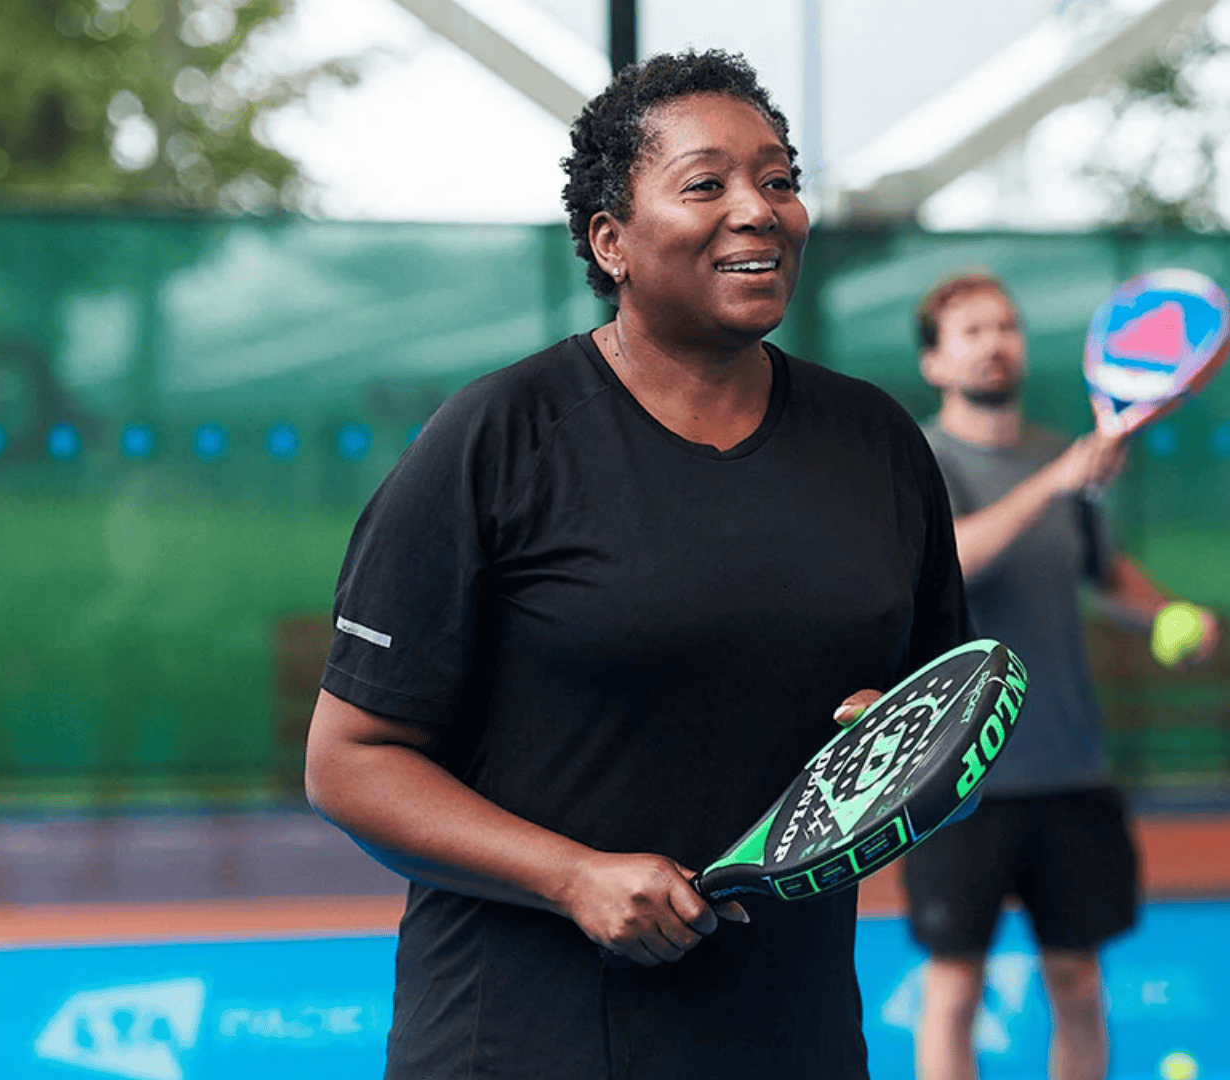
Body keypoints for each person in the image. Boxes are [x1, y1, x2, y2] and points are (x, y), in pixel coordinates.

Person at [303, 50, 970, 1080]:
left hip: (790, 1037)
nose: (759, 210)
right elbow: (349, 761)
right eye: (706, 184)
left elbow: (946, 726)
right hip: (525, 1038)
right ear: (609, 240)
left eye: (780, 179)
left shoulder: (876, 442)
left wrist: (902, 760)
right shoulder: (497, 436)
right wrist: (571, 876)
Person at [902, 272, 1218, 1080]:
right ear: (935, 363)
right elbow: (952, 566)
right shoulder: (919, 460)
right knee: (956, 987)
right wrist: (1057, 480)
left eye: (1005, 325)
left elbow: (1103, 574)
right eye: (971, 331)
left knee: (1077, 982)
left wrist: (1172, 615)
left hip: (1070, 769)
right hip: (954, 778)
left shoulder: (1062, 455)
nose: (995, 342)